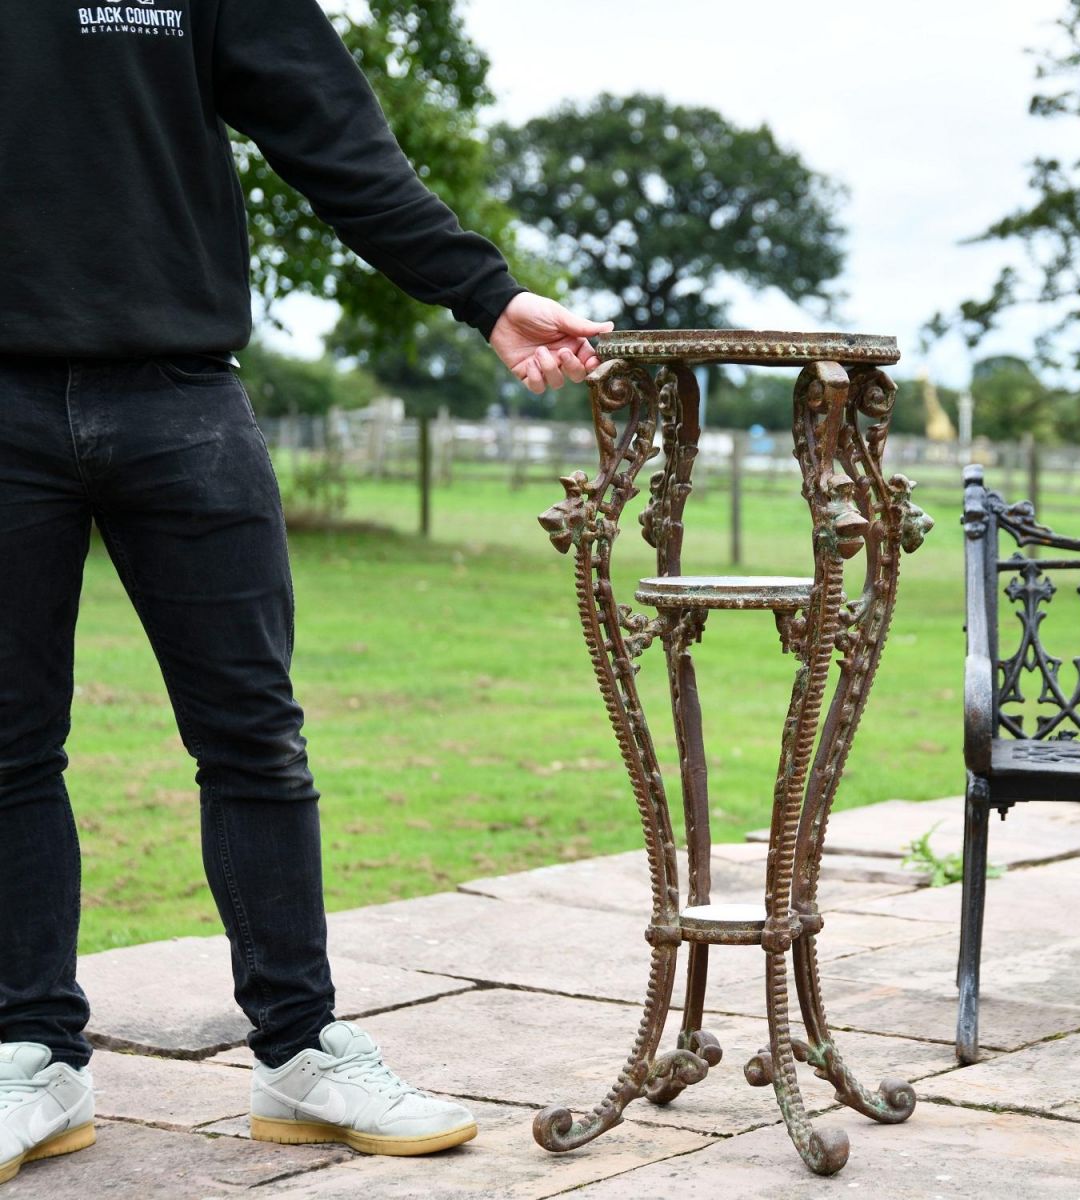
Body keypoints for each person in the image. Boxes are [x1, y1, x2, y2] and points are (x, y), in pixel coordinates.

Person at [0, 1, 612, 1185]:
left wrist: (483, 292)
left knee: (254, 743)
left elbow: (330, 132)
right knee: (9, 749)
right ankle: (32, 1057)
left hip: (182, 396)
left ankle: (298, 1049)